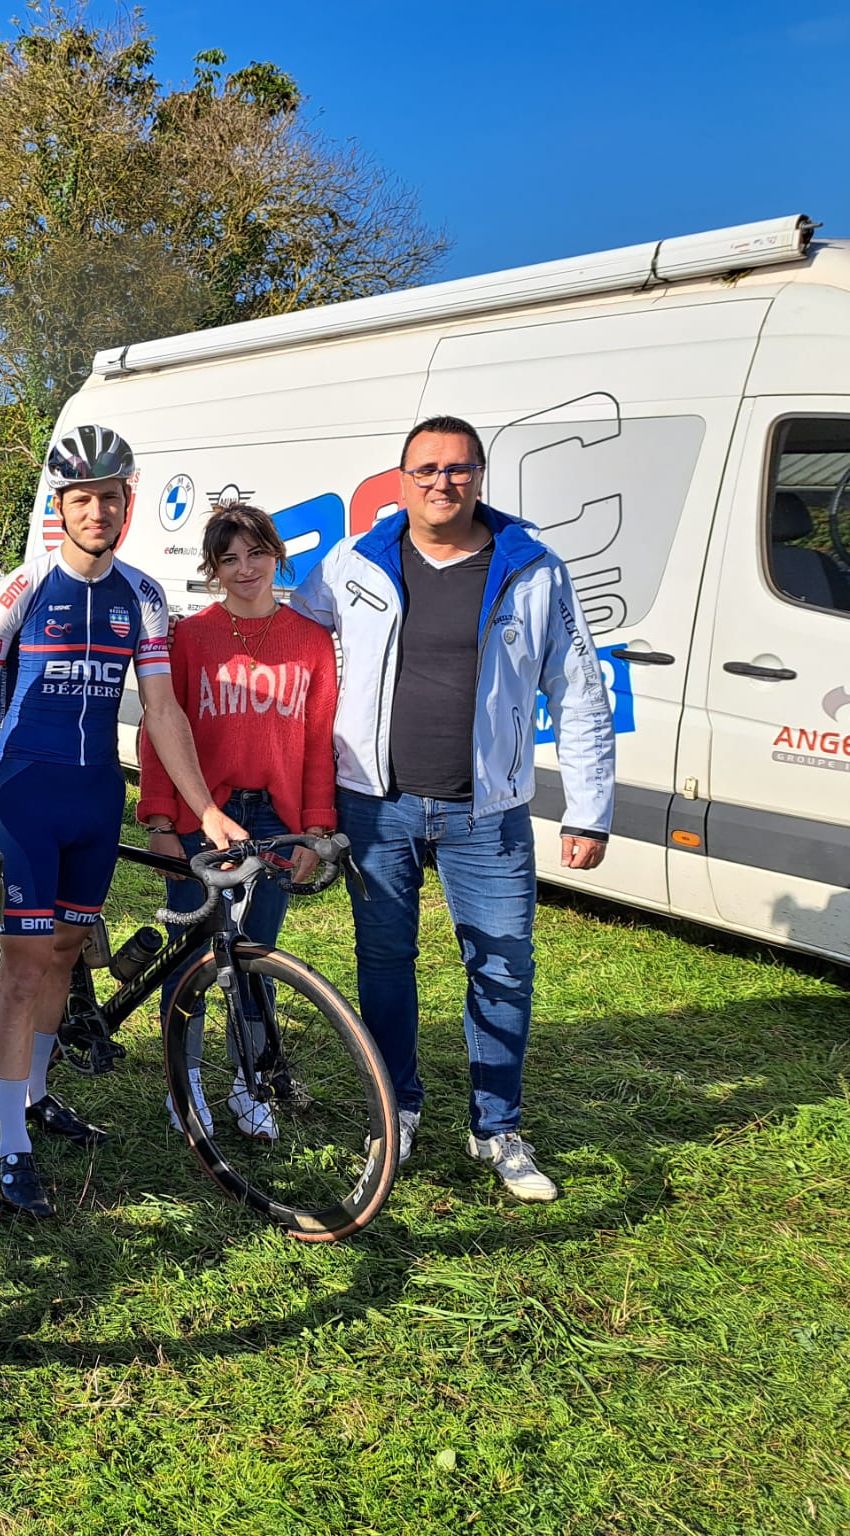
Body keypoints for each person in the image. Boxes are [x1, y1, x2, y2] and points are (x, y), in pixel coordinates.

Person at [292, 414, 615, 1202]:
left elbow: (577, 690)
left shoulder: (534, 569)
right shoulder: (353, 561)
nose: (444, 482)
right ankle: (395, 1108)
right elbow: (293, 638)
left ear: (480, 476)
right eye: (427, 469)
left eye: (460, 468)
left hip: (488, 812)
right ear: (402, 480)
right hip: (376, 805)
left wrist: (589, 809)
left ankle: (495, 1127)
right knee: (385, 966)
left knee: (503, 969)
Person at [0, 424, 244, 1218]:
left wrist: (206, 806)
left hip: (93, 800)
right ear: (61, 505)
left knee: (69, 949)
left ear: (127, 503)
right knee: (22, 968)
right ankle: (7, 1143)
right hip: (27, 802)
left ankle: (36, 1094)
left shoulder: (142, 595)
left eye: (110, 498)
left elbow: (164, 710)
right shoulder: (21, 587)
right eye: (82, 499)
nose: (97, 512)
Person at [135, 502, 338, 1140]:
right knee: (193, 951)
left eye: (256, 554)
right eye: (229, 559)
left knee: (254, 954)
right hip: (204, 818)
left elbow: (317, 739)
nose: (245, 569)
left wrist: (316, 827)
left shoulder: (309, 641)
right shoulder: (191, 638)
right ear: (212, 568)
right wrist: (161, 816)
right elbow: (162, 729)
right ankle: (184, 1075)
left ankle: (249, 1079)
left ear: (277, 555)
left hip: (274, 820)